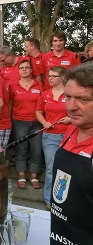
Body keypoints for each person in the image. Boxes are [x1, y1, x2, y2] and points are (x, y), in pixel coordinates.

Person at [49, 63, 93, 245]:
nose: (71, 106)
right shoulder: (73, 129)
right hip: (60, 241)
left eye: (83, 99)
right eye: (68, 97)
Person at [35, 66, 70, 209]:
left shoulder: (70, 94)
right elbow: (38, 112)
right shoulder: (44, 94)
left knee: (67, 169)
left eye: (53, 76)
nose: (49, 79)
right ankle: (49, 200)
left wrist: (71, 119)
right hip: (50, 137)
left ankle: (63, 199)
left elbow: (80, 111)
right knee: (51, 168)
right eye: (48, 76)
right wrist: (44, 122)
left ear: (62, 78)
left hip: (69, 136)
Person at [8, 60, 43, 189]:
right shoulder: (13, 86)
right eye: (21, 68)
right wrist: (9, 120)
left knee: (37, 150)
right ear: (18, 70)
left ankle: (34, 177)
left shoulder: (39, 85)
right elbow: (10, 104)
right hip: (19, 121)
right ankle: (21, 176)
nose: (24, 70)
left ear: (31, 70)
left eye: (27, 67)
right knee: (21, 149)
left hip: (37, 123)